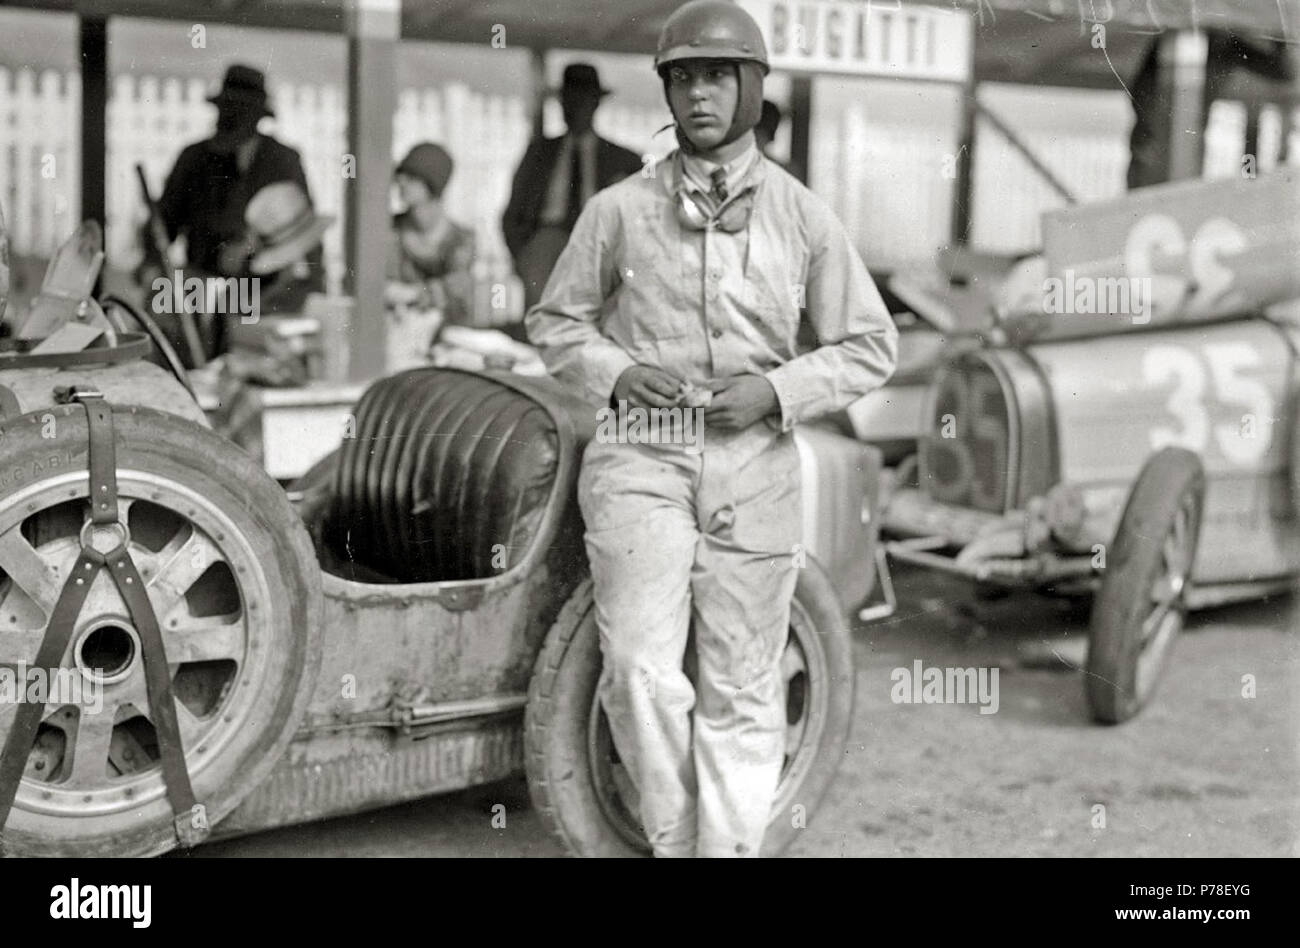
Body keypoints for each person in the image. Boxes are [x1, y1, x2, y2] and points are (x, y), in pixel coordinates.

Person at [526, 0, 898, 858]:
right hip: (639, 464)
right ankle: (680, 843)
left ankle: (726, 853)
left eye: (717, 76)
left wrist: (776, 391)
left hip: (755, 465)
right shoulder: (616, 209)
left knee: (741, 683)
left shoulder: (803, 216)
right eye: (683, 77)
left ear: (754, 89)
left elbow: (871, 345)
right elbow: (555, 323)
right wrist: (617, 373)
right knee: (639, 675)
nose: (698, 95)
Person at [149, 64, 321, 360]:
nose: (229, 119)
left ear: (257, 117)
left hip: (263, 295)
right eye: (226, 110)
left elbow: (303, 234)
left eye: (240, 111)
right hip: (199, 291)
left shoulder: (282, 161)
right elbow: (163, 225)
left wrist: (252, 250)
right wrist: (153, 266)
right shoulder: (194, 160)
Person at [502, 63, 642, 314]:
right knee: (545, 318)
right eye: (569, 100)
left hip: (601, 243)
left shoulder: (623, 160)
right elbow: (513, 212)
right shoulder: (539, 153)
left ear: (595, 104)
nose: (575, 108)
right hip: (547, 243)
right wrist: (523, 254)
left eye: (583, 100)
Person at [386, 142, 476, 325]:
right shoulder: (391, 230)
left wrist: (411, 294)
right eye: (401, 175)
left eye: (412, 177)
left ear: (432, 184)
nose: (401, 181)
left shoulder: (460, 239)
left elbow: (457, 293)